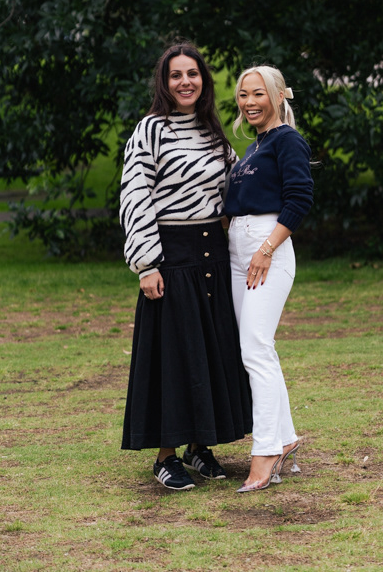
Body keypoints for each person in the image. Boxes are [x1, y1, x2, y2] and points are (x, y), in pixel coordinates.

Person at [119, 42, 252, 491]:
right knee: (174, 357)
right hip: (170, 258)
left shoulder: (213, 132)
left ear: (203, 80)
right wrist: (146, 263)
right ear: (164, 82)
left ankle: (199, 446)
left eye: (192, 74)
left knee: (209, 351)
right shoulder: (150, 130)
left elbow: (235, 189)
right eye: (176, 75)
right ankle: (165, 456)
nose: (185, 82)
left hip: (213, 256)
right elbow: (135, 196)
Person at [225, 64, 313, 493]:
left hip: (267, 250)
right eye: (243, 95)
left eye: (258, 93)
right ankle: (285, 436)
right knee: (259, 350)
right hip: (239, 253)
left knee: (255, 349)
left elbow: (300, 198)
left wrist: (266, 249)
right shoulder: (254, 147)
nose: (250, 102)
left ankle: (264, 451)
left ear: (278, 96)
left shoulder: (287, 140)